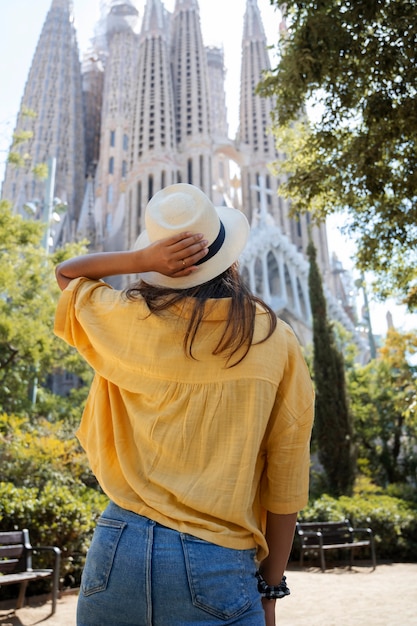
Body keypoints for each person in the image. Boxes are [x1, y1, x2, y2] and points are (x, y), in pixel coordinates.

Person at [54, 183, 314, 626]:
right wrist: (270, 591)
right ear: (228, 258)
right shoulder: (274, 339)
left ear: (162, 265)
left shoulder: (125, 319)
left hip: (117, 551)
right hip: (217, 561)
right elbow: (285, 479)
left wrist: (141, 261)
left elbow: (68, 274)